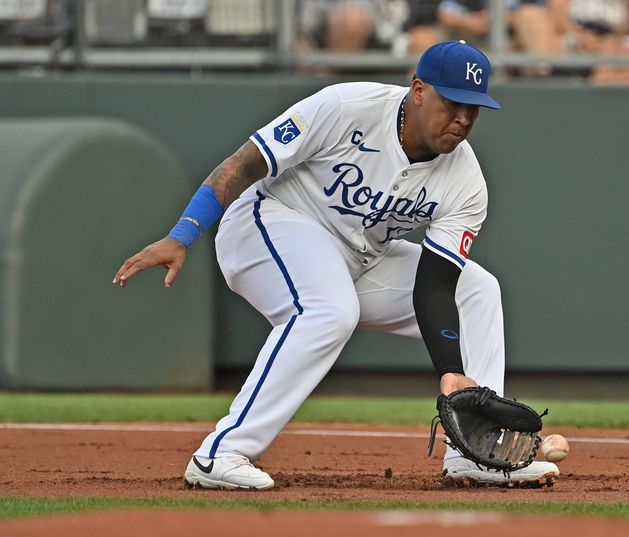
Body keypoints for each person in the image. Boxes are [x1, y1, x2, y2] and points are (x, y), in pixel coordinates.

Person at [113, 40, 560, 490]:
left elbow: (437, 284)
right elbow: (244, 163)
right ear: (419, 90)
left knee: (477, 289)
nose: (463, 119)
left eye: (474, 109)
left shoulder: (465, 181)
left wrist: (451, 372)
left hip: (354, 258)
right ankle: (221, 453)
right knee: (329, 308)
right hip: (266, 223)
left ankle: (473, 456)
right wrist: (183, 233)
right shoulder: (347, 106)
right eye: (453, 103)